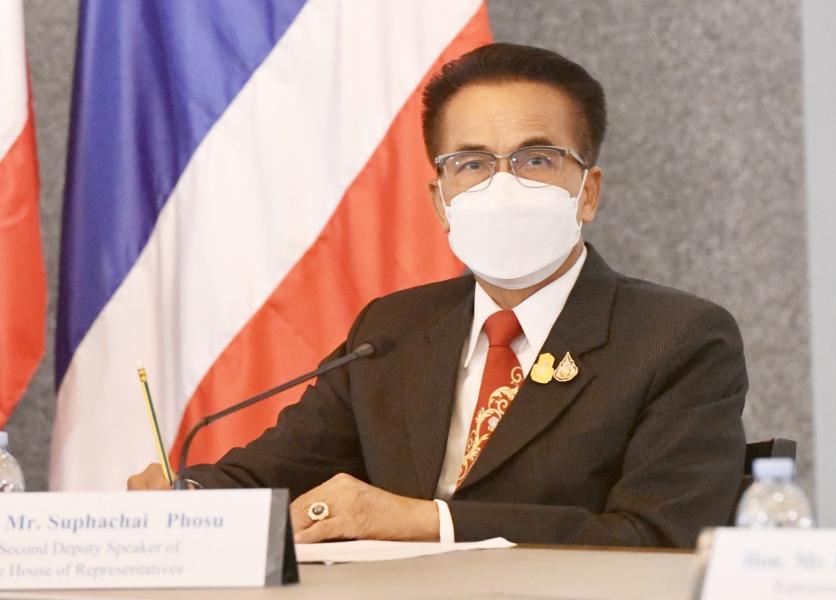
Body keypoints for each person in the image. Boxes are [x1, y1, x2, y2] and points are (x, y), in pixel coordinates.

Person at [128, 43, 747, 549]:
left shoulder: (677, 338)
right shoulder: (393, 330)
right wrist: (190, 500)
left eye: (536, 159)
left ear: (587, 191)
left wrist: (429, 522)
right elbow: (275, 472)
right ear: (441, 201)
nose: (503, 185)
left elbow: (661, 536)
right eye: (472, 164)